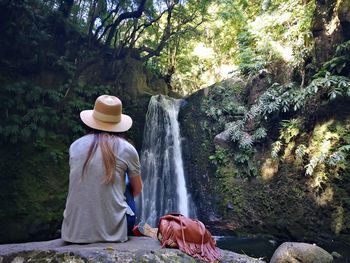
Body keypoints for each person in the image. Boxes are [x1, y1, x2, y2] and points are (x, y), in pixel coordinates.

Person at [61, 95, 142, 243]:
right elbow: (137, 189)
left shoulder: (75, 146)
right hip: (114, 233)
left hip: (73, 233)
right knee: (125, 181)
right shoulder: (127, 149)